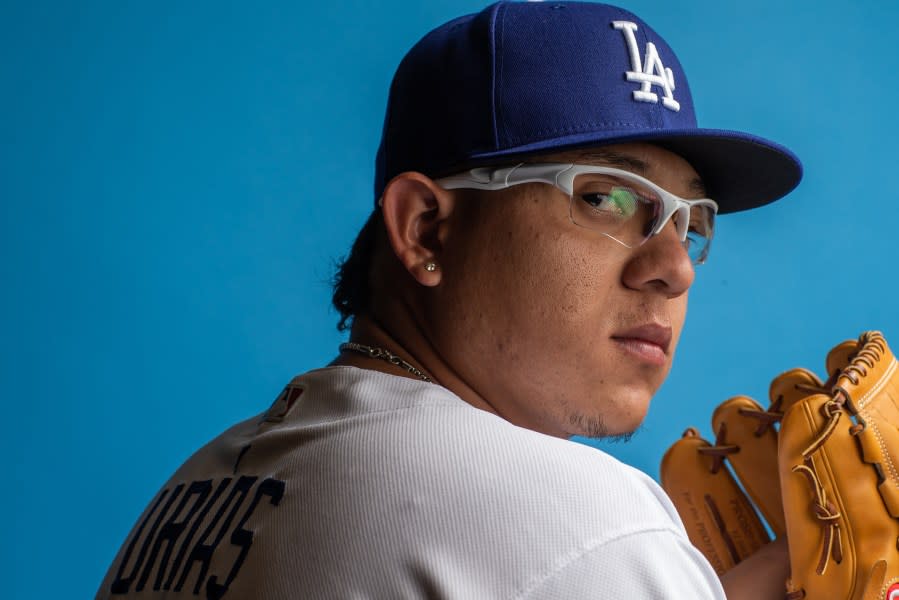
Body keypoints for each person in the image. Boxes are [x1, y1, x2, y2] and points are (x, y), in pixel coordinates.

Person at [97, 2, 802, 598]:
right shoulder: (582, 520)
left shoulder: (199, 485)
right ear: (424, 227)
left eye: (692, 222)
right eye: (604, 197)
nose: (674, 266)